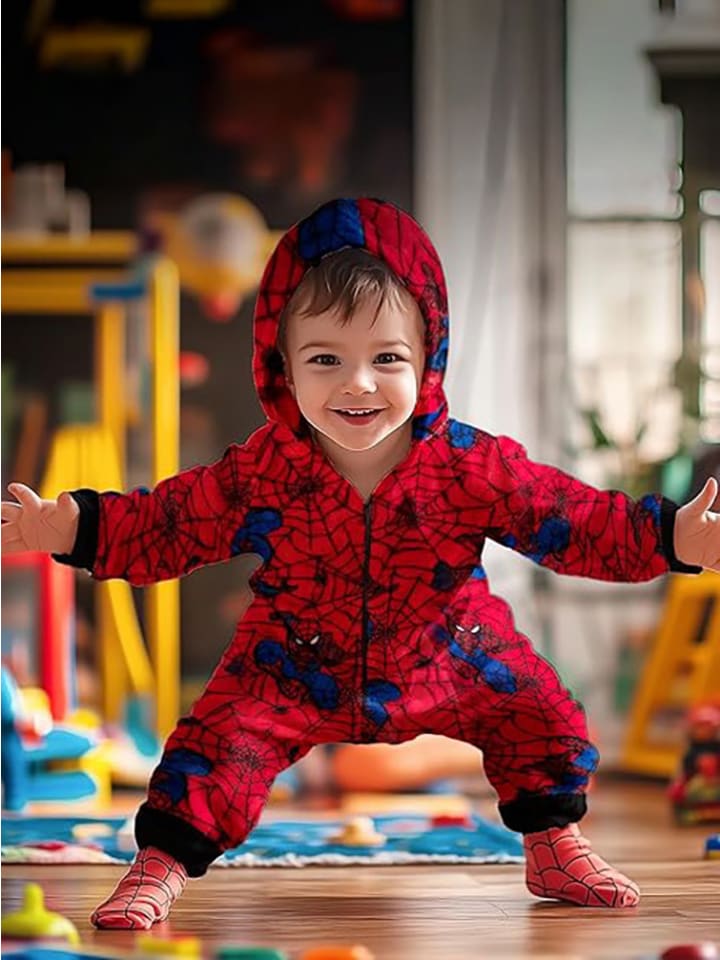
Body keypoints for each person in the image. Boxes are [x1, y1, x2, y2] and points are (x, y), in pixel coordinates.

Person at [2, 198, 718, 927]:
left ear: (429, 358)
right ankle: (159, 865)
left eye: (387, 359)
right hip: (291, 656)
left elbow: (573, 519)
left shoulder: (472, 465)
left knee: (540, 709)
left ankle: (554, 844)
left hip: (450, 646)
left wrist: (672, 538)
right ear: (282, 367)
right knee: (215, 744)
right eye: (325, 360)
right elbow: (172, 522)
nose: (359, 383)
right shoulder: (265, 470)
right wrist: (75, 526)